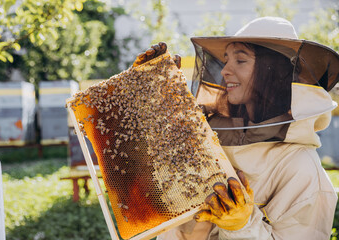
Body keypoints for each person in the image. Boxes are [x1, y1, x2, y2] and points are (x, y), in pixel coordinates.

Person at [134, 16, 339, 239]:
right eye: (226, 60)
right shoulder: (212, 139)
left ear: (274, 71)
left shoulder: (302, 170)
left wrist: (241, 227)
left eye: (240, 61)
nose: (225, 71)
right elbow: (162, 189)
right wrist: (153, 105)